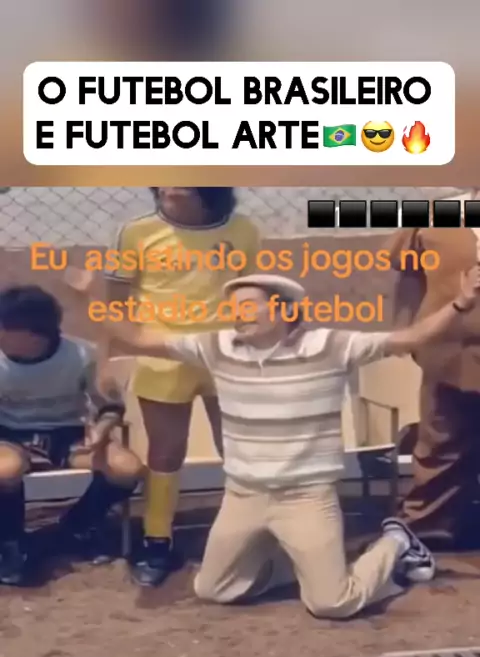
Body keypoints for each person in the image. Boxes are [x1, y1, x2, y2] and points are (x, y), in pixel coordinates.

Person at [66, 266, 480, 618]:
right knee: (215, 589)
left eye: (248, 306)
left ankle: (396, 543)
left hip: (307, 497)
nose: (237, 315)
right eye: (232, 308)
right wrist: (90, 297)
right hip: (243, 495)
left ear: (283, 310)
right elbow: (136, 339)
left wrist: (461, 303)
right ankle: (304, 566)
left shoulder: (331, 345)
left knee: (332, 603)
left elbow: (412, 338)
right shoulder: (216, 346)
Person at [100, 187, 260, 585]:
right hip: (163, 357)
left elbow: (251, 296)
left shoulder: (243, 230)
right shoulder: (135, 232)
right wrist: (107, 360)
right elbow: (115, 303)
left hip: (227, 354)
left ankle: (247, 534)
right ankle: (157, 540)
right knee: (166, 451)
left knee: (238, 449)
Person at [0, 286, 143, 586]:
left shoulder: (82, 355)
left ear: (33, 334)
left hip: (66, 435)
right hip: (10, 435)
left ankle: (75, 527)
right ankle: (11, 544)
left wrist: (102, 430)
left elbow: (110, 405)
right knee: (5, 468)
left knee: (126, 468)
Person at [388, 226, 480, 549]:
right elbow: (409, 278)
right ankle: (426, 526)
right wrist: (404, 331)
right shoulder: (430, 222)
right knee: (441, 443)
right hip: (447, 352)